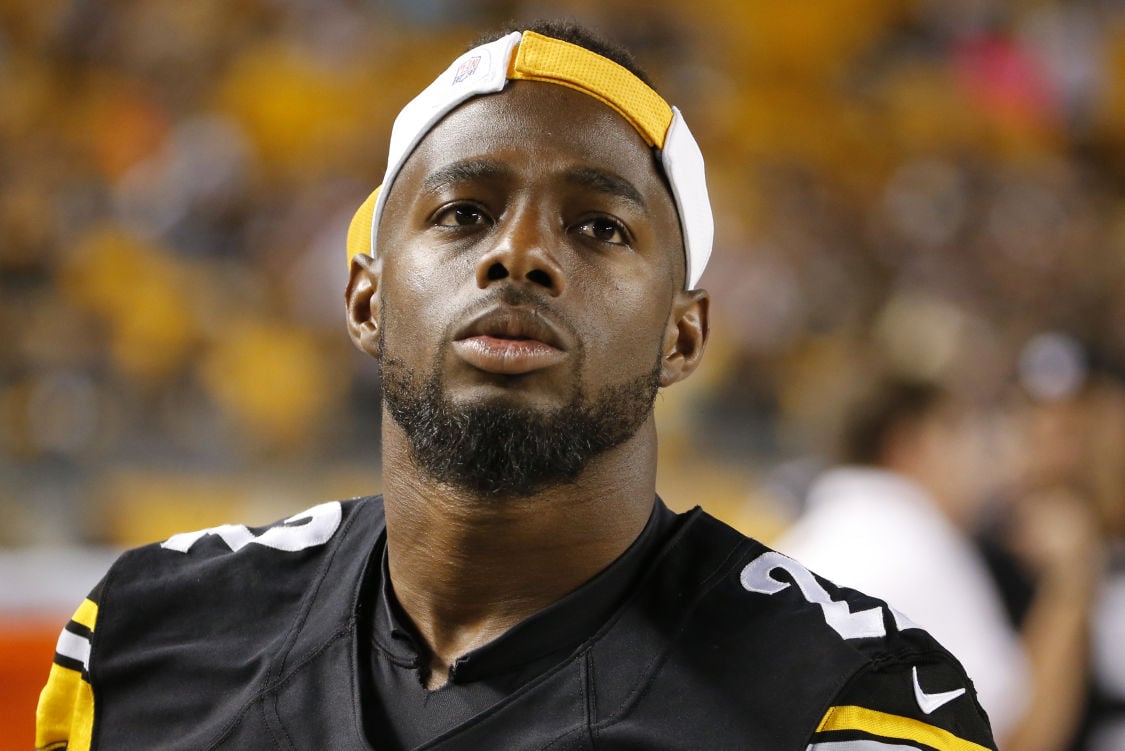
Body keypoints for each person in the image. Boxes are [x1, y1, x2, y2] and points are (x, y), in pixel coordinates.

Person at [36, 21, 997, 750]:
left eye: (598, 226)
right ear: (366, 300)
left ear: (683, 331)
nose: (521, 253)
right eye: (463, 211)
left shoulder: (846, 702)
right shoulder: (147, 636)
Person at [775, 376, 1098, 750]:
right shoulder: (915, 539)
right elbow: (1018, 739)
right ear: (911, 444)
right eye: (965, 436)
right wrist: (1071, 576)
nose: (982, 462)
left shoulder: (807, 537)